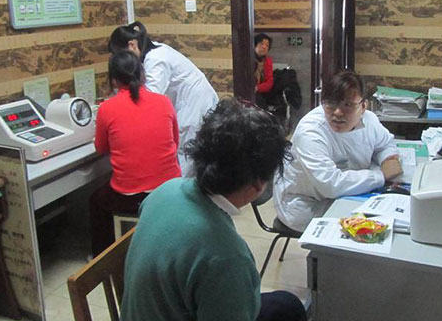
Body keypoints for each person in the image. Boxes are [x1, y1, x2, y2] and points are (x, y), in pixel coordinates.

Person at [121, 99, 307, 321]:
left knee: (287, 305)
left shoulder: (165, 191)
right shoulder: (227, 257)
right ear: (258, 185)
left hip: (159, 307)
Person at [274, 70, 403, 232]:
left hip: (345, 194)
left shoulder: (369, 119)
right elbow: (330, 184)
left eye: (347, 105)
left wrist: (389, 158)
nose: (337, 112)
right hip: (307, 203)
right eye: (330, 103)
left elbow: (385, 143)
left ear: (363, 106)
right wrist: (381, 175)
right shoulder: (311, 132)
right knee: (373, 228)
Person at [90, 50, 181, 256]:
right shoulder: (163, 101)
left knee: (96, 201)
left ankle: (102, 258)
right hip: (168, 189)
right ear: (142, 73)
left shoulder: (106, 108)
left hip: (128, 196)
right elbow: (175, 142)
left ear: (114, 80)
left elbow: (101, 148)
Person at [108, 21, 219, 177]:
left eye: (122, 54)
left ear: (132, 45)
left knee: (186, 153)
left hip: (194, 103)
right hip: (191, 101)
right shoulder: (155, 50)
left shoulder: (156, 59)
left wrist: (120, 105)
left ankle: (186, 188)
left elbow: (150, 97)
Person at [254, 33, 274, 109]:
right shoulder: (248, 58)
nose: (264, 47)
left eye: (267, 45)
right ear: (255, 45)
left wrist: (257, 88)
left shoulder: (268, 61)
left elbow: (269, 82)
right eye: (261, 44)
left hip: (260, 92)